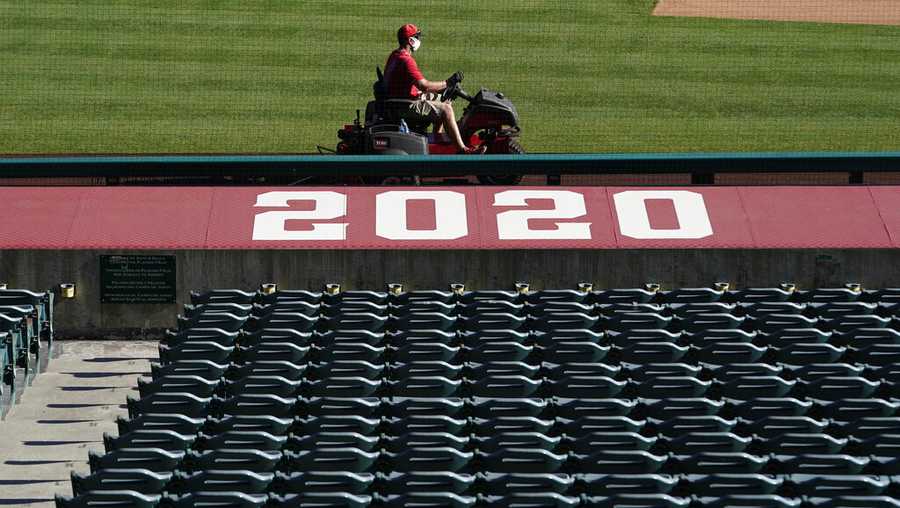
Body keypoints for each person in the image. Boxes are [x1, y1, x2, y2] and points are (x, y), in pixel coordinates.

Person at [383, 24, 484, 154]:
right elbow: (424, 85)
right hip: (404, 104)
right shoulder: (406, 60)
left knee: (444, 99)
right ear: (410, 40)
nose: (420, 40)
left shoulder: (395, 55)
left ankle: (438, 137)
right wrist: (448, 82)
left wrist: (442, 89)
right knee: (446, 109)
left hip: (400, 98)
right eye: (417, 37)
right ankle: (463, 150)